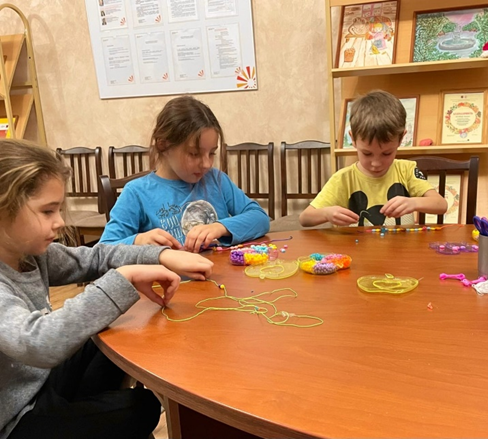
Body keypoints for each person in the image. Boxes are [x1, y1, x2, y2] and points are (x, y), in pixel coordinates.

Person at [0, 139, 214, 439]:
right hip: (14, 420)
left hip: (41, 383)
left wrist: (161, 255)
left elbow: (96, 257)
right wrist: (122, 279)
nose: (60, 222)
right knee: (141, 408)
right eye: (47, 211)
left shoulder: (31, 255)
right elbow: (39, 342)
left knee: (121, 333)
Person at [100, 95, 270, 252]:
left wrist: (219, 227)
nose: (207, 164)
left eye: (212, 153)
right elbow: (103, 250)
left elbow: (260, 218)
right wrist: (138, 240)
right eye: (194, 154)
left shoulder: (217, 180)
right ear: (163, 145)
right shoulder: (136, 193)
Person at [299, 90, 447, 227]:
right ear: (353, 139)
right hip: (356, 247)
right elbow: (305, 218)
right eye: (367, 153)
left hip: (402, 247)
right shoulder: (343, 179)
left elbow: (441, 205)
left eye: (386, 153)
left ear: (401, 139)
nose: (376, 163)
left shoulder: (406, 170)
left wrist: (414, 203)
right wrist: (327, 213)